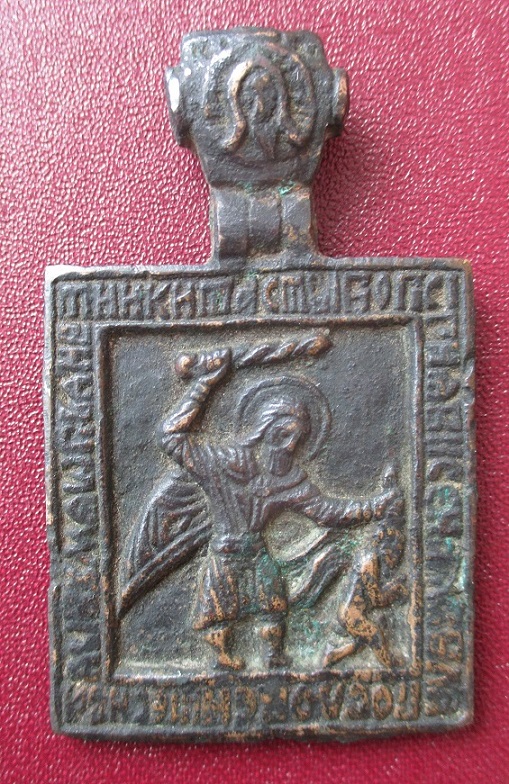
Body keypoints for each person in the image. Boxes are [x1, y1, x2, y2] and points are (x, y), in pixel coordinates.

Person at [156, 348, 398, 671]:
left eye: (297, 439)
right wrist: (204, 384)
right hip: (226, 551)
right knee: (218, 609)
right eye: (284, 436)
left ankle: (274, 655)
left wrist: (373, 507)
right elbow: (171, 437)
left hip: (257, 551)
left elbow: (326, 512)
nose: (290, 446)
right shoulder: (223, 463)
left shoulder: (289, 479)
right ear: (265, 429)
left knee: (273, 605)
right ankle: (222, 657)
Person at [324, 483, 408, 670]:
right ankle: (391, 666)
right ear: (386, 544)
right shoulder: (369, 563)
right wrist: (395, 590)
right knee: (375, 635)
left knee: (362, 642)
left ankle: (333, 655)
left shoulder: (370, 557)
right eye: (394, 551)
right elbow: (377, 599)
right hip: (351, 615)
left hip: (352, 612)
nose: (395, 556)